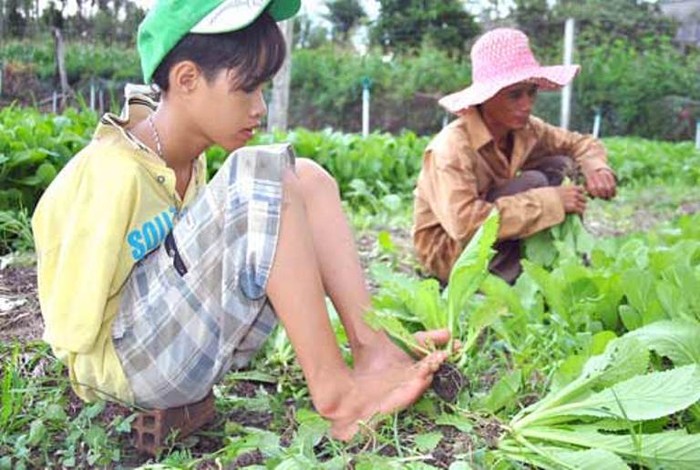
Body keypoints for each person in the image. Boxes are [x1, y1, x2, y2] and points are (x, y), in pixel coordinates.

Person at [32, 0, 449, 442]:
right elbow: (69, 320)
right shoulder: (110, 172)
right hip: (130, 368)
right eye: (247, 89)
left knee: (308, 178)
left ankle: (375, 349)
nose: (260, 108)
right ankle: (339, 397)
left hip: (189, 351)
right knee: (258, 174)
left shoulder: (189, 163)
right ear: (188, 79)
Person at [413, 28, 616, 284]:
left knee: (561, 165)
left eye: (531, 93)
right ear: (486, 97)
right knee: (534, 182)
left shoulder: (525, 129)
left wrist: (596, 167)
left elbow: (578, 143)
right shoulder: (451, 148)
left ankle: (549, 261)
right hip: (449, 251)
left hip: (494, 235)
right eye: (514, 95)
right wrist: (550, 202)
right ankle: (514, 277)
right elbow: (463, 224)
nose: (527, 104)